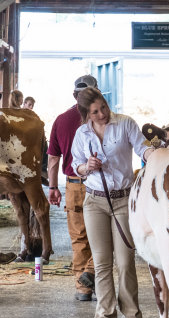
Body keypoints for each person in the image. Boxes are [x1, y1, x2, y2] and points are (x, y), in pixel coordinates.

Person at [71, 87, 154, 318]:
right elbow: (76, 165)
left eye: (103, 107)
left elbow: (143, 149)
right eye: (95, 112)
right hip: (95, 201)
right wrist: (88, 166)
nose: (102, 114)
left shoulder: (125, 124)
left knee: (126, 261)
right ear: (87, 114)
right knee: (102, 262)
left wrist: (158, 157)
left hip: (123, 200)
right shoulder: (82, 134)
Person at [47, 75, 98, 301]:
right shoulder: (103, 119)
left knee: (79, 238)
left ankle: (82, 288)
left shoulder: (60, 120)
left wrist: (52, 187)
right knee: (103, 235)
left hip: (73, 185)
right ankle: (93, 273)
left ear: (74, 95)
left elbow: (53, 160)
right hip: (99, 185)